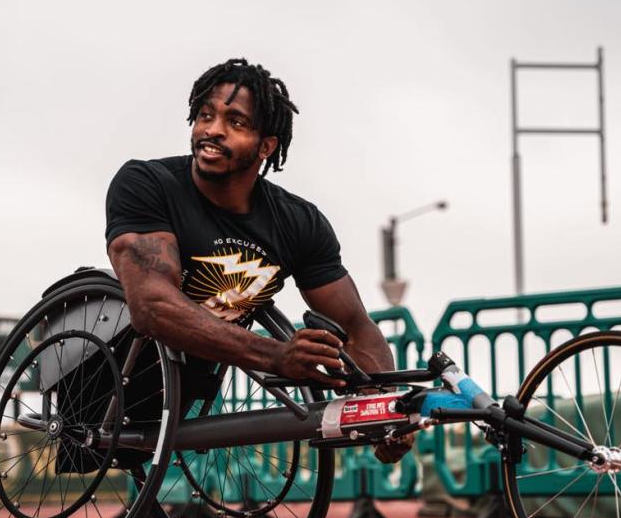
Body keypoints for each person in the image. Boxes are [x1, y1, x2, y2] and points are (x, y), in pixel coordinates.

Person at [105, 58, 412, 463]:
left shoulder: (299, 223)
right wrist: (277, 356)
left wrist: (383, 407)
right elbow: (152, 307)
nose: (212, 130)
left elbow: (355, 325)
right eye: (205, 115)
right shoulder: (146, 184)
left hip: (193, 382)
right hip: (105, 375)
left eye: (235, 122)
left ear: (267, 145)